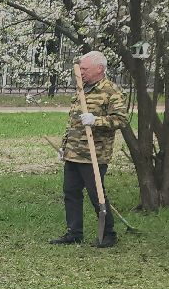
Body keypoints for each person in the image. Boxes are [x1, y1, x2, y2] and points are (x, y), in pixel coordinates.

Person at [51, 51, 128, 248]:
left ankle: (109, 234)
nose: (81, 72)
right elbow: (73, 123)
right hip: (74, 152)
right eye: (80, 68)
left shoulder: (110, 90)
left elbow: (121, 120)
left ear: (99, 69)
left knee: (97, 194)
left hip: (95, 154)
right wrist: (64, 146)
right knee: (71, 192)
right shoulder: (81, 89)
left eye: (85, 69)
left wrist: (97, 121)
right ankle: (74, 232)